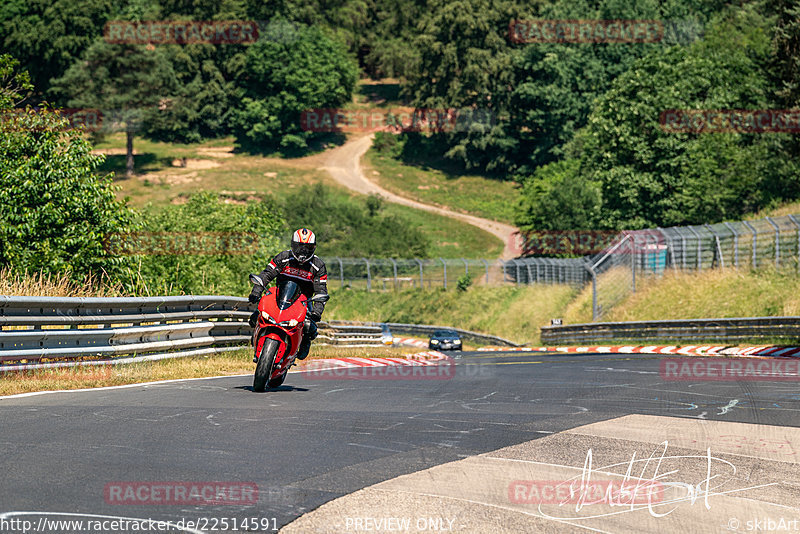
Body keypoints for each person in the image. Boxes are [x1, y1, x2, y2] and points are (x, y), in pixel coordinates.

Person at [248, 228, 328, 361]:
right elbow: (267, 274)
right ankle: (258, 336)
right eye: (299, 247)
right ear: (293, 245)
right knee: (256, 316)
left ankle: (304, 341)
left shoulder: (318, 266)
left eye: (307, 248)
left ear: (313, 248)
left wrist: (317, 312)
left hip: (303, 301)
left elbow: (321, 290)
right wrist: (256, 291)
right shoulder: (283, 257)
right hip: (279, 295)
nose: (303, 251)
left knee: (310, 326)